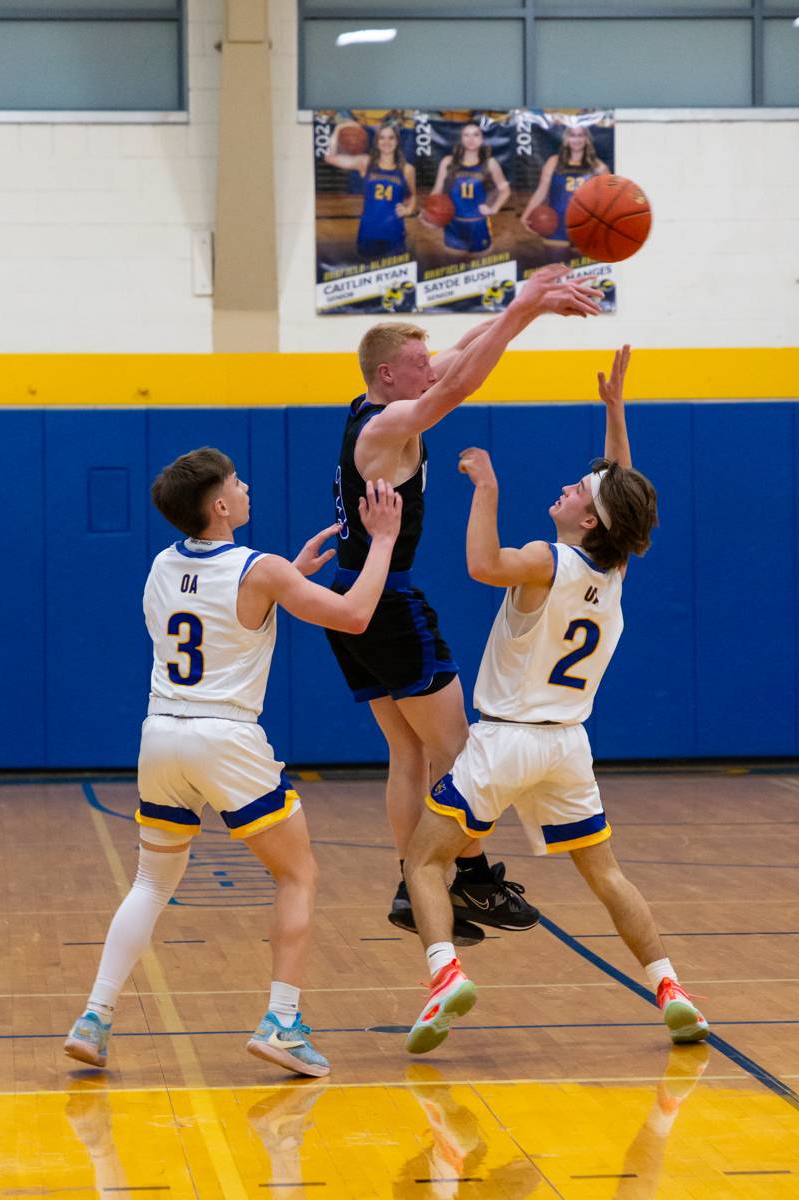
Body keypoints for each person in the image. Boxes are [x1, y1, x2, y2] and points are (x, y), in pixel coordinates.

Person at [403, 346, 710, 1054]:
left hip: (507, 739)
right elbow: (620, 491)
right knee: (605, 873)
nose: (570, 488)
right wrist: (614, 413)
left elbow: (482, 565)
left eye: (578, 490)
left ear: (590, 521)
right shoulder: (615, 566)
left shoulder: (548, 559)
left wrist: (485, 487)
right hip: (568, 746)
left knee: (424, 860)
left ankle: (445, 974)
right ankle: (671, 987)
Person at [64, 448, 401, 1079]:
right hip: (225, 737)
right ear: (220, 506)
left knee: (151, 883)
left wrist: (283, 581)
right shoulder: (261, 569)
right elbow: (354, 616)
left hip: (161, 734)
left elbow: (221, 610)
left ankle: (94, 1016)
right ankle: (282, 1023)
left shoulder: (162, 565)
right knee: (297, 875)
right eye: (238, 483)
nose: (247, 488)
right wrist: (382, 540)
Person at [325, 265, 604, 945]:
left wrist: (523, 307)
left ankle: (407, 885)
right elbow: (460, 382)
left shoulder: (382, 404)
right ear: (390, 374)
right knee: (458, 748)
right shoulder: (389, 423)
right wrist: (524, 309)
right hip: (387, 601)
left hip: (352, 593)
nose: (433, 366)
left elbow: (463, 354)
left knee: (407, 753)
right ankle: (473, 877)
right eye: (420, 362)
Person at [325, 121, 416, 260]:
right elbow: (329, 158)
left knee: (395, 280)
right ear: (376, 142)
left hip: (395, 234)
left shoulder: (407, 169)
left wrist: (409, 210)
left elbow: (413, 197)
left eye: (391, 137)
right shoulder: (365, 162)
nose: (386, 142)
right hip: (368, 233)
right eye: (382, 138)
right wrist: (338, 129)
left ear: (397, 141)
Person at [428, 122, 510, 255]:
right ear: (461, 138)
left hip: (478, 225)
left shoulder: (490, 163)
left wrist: (494, 208)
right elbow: (437, 190)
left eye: (475, 135)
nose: (471, 139)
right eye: (466, 135)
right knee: (453, 269)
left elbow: (505, 189)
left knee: (480, 270)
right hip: (453, 226)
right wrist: (429, 213)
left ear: (482, 139)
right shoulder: (448, 162)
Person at [521, 124, 609, 248]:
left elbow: (608, 199)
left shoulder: (599, 167)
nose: (576, 139)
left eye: (580, 135)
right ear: (566, 139)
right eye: (572, 135)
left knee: (583, 266)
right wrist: (526, 214)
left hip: (585, 225)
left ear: (586, 139)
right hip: (556, 224)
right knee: (556, 265)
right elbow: (541, 191)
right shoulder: (553, 161)